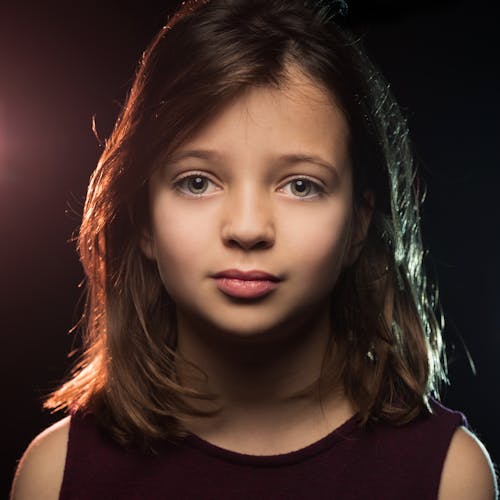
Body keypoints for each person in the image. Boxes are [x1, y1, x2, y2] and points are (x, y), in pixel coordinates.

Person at [10, 0, 498, 498]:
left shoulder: (448, 478)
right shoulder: (55, 476)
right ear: (143, 223)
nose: (247, 228)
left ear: (357, 225)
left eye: (301, 185)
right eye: (197, 182)